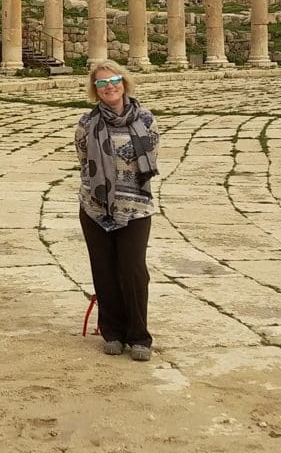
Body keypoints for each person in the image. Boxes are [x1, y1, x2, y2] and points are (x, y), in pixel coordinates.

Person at [74, 60, 160, 361]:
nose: (109, 86)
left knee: (133, 269)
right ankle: (112, 331)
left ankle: (139, 336)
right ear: (95, 90)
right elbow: (83, 160)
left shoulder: (146, 119)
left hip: (136, 206)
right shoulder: (87, 123)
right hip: (96, 206)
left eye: (114, 80)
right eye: (102, 83)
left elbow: (150, 159)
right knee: (104, 269)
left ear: (124, 82)